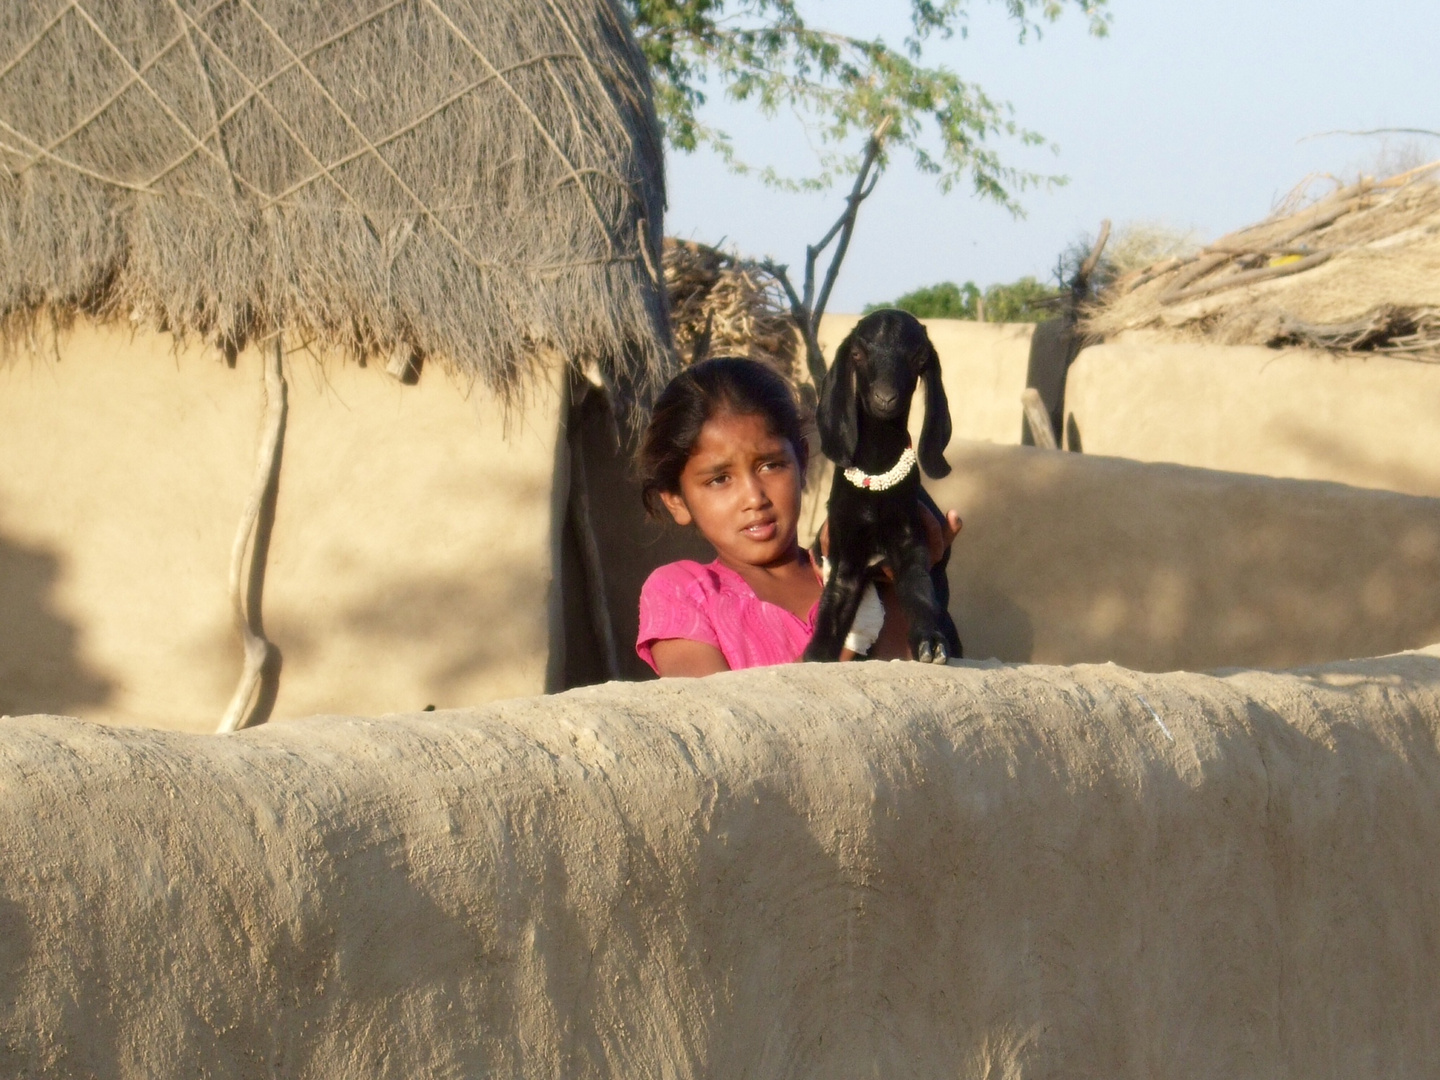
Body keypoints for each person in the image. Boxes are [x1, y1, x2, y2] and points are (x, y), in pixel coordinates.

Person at [635, 356, 961, 677]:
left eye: (771, 465)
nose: (754, 497)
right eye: (719, 479)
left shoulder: (849, 576)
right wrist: (852, 622)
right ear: (676, 500)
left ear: (802, 463)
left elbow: (898, 698)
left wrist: (901, 577)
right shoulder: (683, 593)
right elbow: (721, 719)